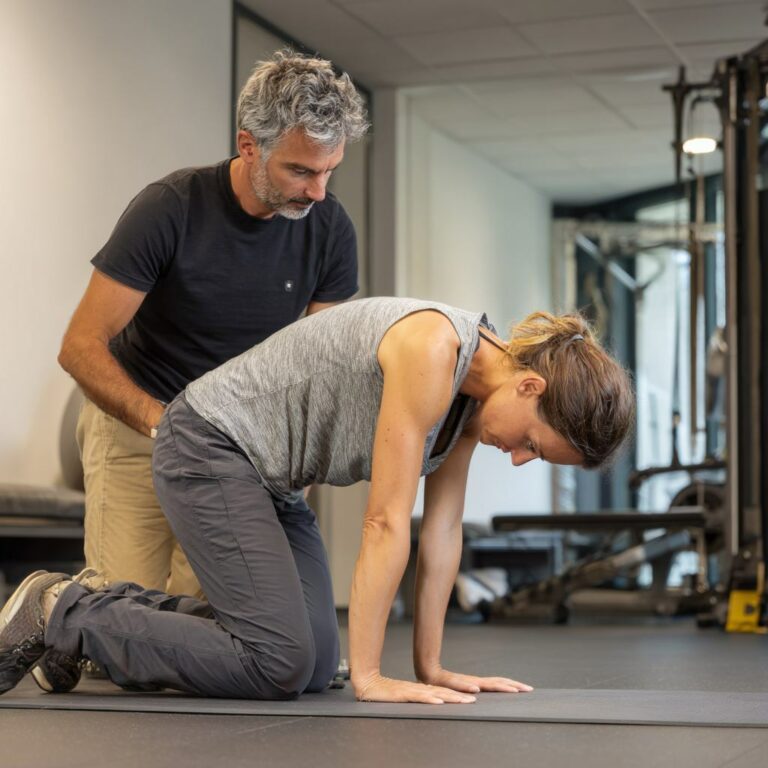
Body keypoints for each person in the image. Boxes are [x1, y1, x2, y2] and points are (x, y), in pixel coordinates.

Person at [1, 298, 634, 703]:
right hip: (209, 445)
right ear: (529, 385)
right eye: (531, 444)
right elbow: (386, 520)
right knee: (279, 663)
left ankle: (94, 614)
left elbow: (441, 533)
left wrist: (432, 665)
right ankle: (63, 612)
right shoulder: (434, 351)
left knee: (310, 664)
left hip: (266, 478)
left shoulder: (474, 400)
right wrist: (372, 678)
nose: (519, 457)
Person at [56, 50, 368, 604]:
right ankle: (52, 611)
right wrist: (167, 427)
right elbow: (80, 348)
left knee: (205, 623)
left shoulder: (329, 229)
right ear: (250, 146)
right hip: (137, 424)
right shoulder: (169, 208)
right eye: (300, 170)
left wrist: (302, 458)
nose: (318, 191)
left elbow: (328, 369)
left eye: (328, 171)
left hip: (235, 441)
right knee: (124, 611)